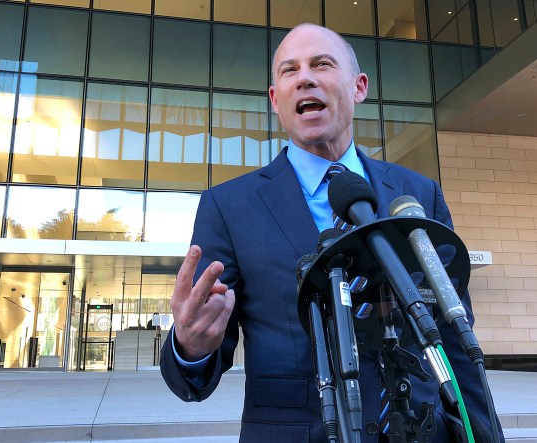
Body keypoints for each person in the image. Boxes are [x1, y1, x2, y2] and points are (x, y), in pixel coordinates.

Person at [160, 23, 504, 442]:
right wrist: (190, 347)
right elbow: (194, 374)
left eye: (322, 64)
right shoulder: (229, 206)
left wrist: (485, 433)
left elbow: (454, 337)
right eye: (289, 70)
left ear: (359, 87)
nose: (304, 77)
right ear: (276, 99)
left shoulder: (419, 194)